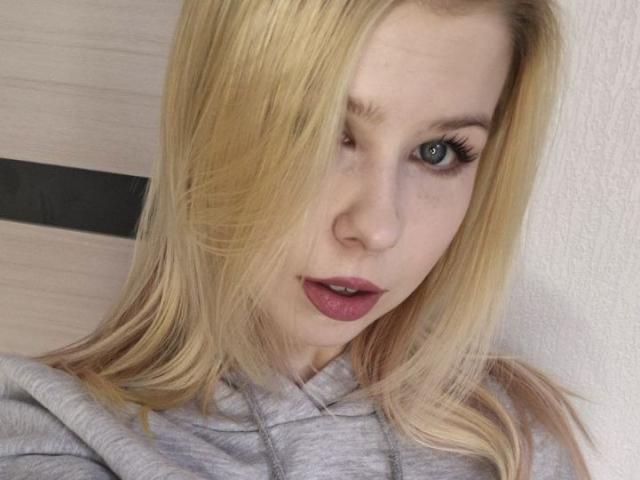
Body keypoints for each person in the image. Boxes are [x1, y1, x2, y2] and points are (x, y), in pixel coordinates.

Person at [0, 1, 597, 479]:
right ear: (209, 126)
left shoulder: (510, 442)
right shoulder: (52, 436)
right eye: (321, 129)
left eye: (438, 152)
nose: (377, 228)